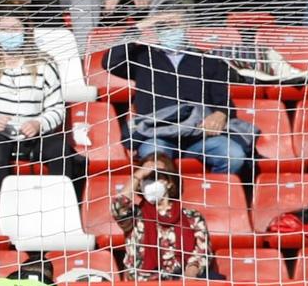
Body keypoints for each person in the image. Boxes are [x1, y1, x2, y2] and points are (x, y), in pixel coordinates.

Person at [103, 13, 250, 175]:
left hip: (199, 135)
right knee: (154, 158)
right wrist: (140, 26)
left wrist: (221, 114)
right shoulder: (143, 57)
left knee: (233, 155)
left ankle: (213, 195)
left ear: (186, 28)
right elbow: (110, 61)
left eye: (174, 26)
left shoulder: (207, 60)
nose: (170, 31)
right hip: (158, 135)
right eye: (163, 27)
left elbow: (223, 100)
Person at [0, 14, 85, 197]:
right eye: (5, 29)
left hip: (34, 136)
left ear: (26, 31)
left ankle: (60, 208)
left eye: (15, 29)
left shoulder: (44, 63)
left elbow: (57, 109)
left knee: (61, 149)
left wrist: (39, 123)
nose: (10, 34)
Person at [111, 153, 214, 280]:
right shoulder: (135, 216)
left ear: (169, 182)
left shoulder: (192, 217)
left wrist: (191, 271)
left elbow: (203, 253)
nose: (149, 183)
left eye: (155, 177)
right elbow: (119, 205)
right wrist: (138, 175)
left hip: (181, 284)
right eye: (145, 178)